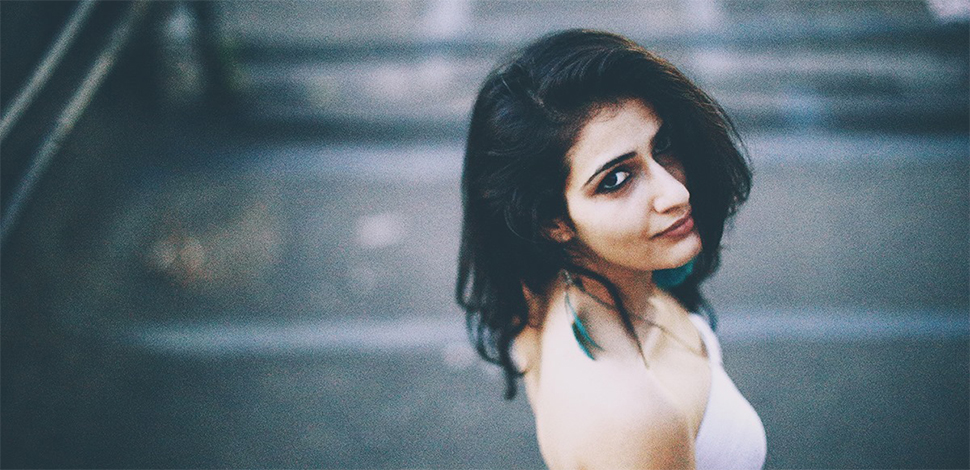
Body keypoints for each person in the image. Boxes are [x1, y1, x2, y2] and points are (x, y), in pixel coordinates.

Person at [455, 29, 766, 469]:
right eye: (616, 179)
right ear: (553, 222)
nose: (675, 193)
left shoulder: (538, 292)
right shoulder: (635, 420)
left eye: (663, 146)